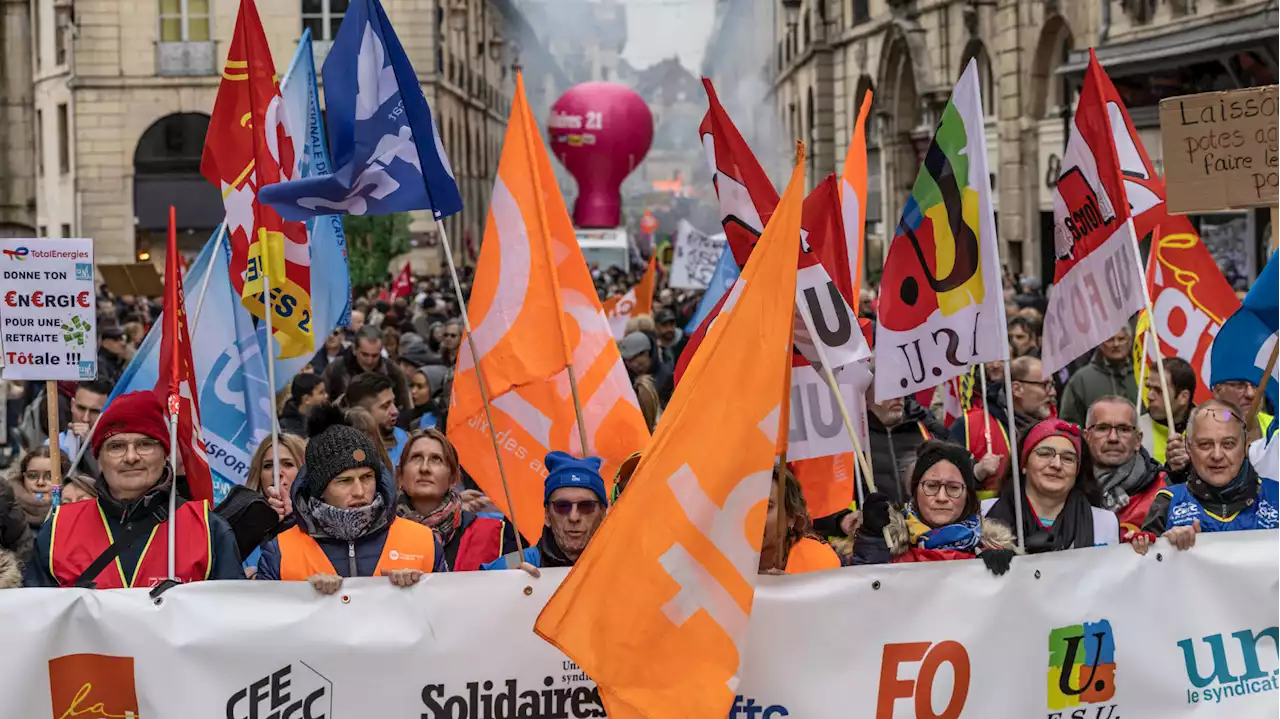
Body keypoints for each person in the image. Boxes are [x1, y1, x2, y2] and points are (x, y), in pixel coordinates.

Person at [24, 391, 244, 588]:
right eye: (116, 446)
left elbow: (229, 620)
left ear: (165, 453)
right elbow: (38, 621)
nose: (131, 457)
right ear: (99, 458)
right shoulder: (58, 529)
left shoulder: (208, 528)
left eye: (145, 444)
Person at [256, 410, 447, 591]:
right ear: (320, 489)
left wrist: (419, 590)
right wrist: (304, 596)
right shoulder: (280, 552)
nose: (359, 491)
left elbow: (446, 614)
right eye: (344, 481)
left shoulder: (423, 541)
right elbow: (264, 620)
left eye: (367, 477)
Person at [1133, 399, 1280, 554]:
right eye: (1205, 444)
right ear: (1189, 447)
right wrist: (1163, 546)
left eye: (1228, 444)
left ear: (1245, 446)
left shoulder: (1276, 497)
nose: (1217, 455)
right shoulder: (1168, 502)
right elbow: (1146, 570)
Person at [852, 441, 1016, 566]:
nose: (942, 497)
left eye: (953, 488)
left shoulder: (992, 549)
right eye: (931, 486)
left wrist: (1009, 574)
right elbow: (863, 597)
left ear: (968, 495)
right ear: (915, 491)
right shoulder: (888, 544)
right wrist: (871, 543)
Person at [984, 418, 1119, 553]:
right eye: (1044, 454)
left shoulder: (1105, 523)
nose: (1056, 464)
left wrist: (1136, 549)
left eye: (1068, 458)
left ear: (1077, 471)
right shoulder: (982, 514)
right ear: (1024, 464)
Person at [396, 429, 521, 570]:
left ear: (453, 478)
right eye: (416, 458)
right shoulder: (382, 533)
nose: (425, 468)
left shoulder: (491, 535)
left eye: (436, 459)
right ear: (400, 475)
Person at [483, 452, 608, 569]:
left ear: (603, 514)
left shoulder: (622, 564)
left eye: (586, 506)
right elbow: (476, 586)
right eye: (562, 506)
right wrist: (507, 585)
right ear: (547, 516)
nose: (573, 517)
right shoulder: (513, 563)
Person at [1084, 396, 1168, 539]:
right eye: (1103, 428)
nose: (1113, 438)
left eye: (1123, 429)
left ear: (1138, 440)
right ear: (1087, 437)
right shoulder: (1065, 488)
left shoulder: (1164, 489)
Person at [864, 382, 947, 505]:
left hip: (922, 521)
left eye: (901, 388)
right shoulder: (853, 438)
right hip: (875, 521)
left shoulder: (925, 429)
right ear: (866, 396)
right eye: (888, 390)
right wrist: (842, 518)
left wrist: (978, 471)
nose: (898, 397)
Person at [759, 466, 840, 574]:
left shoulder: (819, 562)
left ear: (791, 517)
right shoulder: (730, 562)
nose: (753, 516)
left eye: (766, 507)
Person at [322, 325, 412, 411]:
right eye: (364, 354)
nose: (369, 361)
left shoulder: (392, 371)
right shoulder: (335, 369)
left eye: (375, 355)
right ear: (354, 349)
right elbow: (322, 404)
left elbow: (404, 407)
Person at [1059, 327, 1137, 427]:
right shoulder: (1081, 379)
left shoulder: (1143, 374)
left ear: (1130, 341)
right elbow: (1069, 423)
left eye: (1121, 339)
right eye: (1110, 340)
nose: (1116, 344)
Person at [1139, 357, 1195, 471]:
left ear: (1183, 397)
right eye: (1149, 388)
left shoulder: (1208, 429)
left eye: (1159, 391)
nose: (1149, 396)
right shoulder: (1135, 430)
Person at [345, 373, 408, 470]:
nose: (395, 411)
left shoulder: (406, 439)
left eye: (393, 402)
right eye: (385, 406)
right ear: (362, 412)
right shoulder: (344, 452)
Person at [7, 446, 69, 533]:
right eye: (32, 476)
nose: (40, 483)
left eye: (50, 476)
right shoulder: (6, 511)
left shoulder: (74, 514)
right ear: (23, 478)